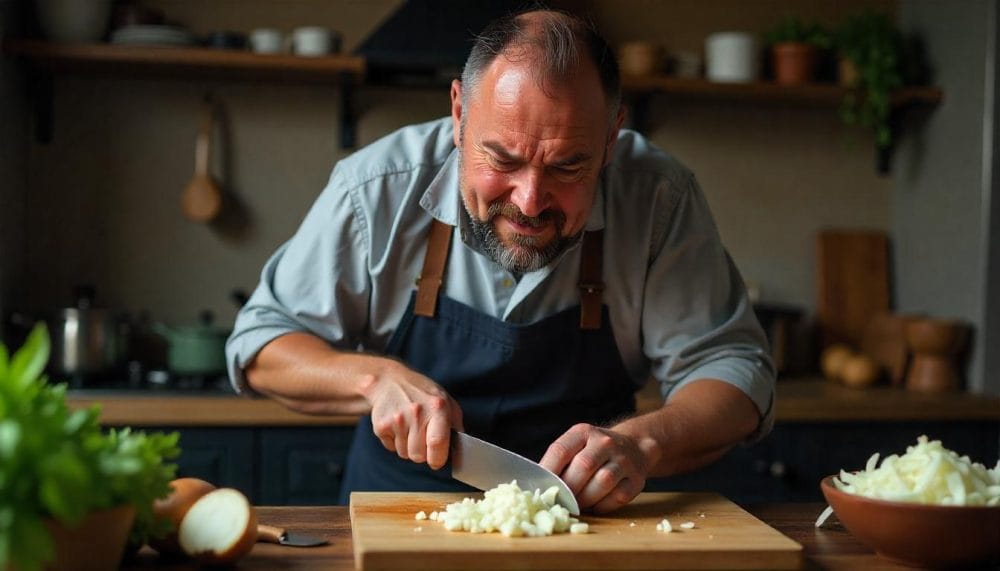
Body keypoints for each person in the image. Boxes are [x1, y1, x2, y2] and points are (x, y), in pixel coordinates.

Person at [226, 8, 775, 514]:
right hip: (394, 515)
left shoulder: (659, 199)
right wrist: (374, 380)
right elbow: (260, 345)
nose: (530, 200)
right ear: (460, 112)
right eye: (502, 159)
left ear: (611, 139)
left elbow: (734, 373)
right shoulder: (375, 189)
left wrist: (643, 443)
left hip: (588, 525)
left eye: (567, 167)